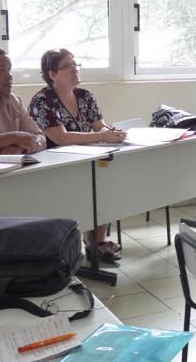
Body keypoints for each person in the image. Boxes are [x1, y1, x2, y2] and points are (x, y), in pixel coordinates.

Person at [28, 49, 126, 263]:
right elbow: (60, 138)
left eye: (76, 65)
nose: (75, 70)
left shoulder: (85, 96)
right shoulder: (43, 100)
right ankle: (69, 244)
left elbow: (99, 126)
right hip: (54, 165)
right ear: (52, 74)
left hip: (86, 158)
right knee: (83, 191)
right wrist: (102, 136)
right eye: (67, 66)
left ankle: (97, 243)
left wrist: (112, 133)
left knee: (105, 184)